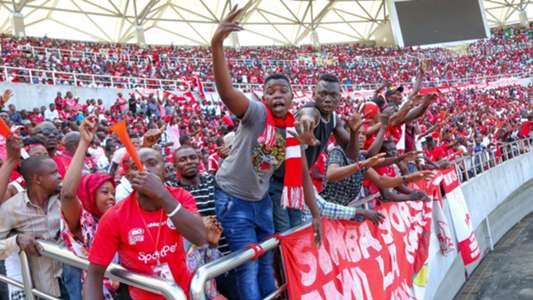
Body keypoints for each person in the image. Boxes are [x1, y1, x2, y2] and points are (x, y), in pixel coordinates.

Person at [211, 6, 321, 300]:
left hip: (259, 201)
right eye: (270, 91)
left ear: (292, 95)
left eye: (282, 91)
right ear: (263, 97)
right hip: (233, 199)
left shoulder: (293, 132)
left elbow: (303, 178)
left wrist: (316, 214)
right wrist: (217, 45)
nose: (276, 96)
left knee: (264, 264)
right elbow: (226, 92)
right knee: (248, 264)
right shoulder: (256, 114)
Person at [86, 147, 207, 300]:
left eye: (152, 163)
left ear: (165, 170)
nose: (144, 170)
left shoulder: (181, 197)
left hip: (182, 294)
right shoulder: (114, 217)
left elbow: (200, 238)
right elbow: (95, 273)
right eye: (136, 167)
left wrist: (162, 196)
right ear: (129, 176)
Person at [59, 118, 117, 299]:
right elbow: (68, 194)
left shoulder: (114, 219)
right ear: (89, 194)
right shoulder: (83, 221)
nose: (111, 198)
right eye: (105, 192)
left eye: (113, 193)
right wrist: (84, 143)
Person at [169, 145, 232, 299]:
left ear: (199, 160)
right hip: (198, 266)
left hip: (228, 255)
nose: (189, 162)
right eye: (183, 160)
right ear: (175, 165)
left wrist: (229, 157)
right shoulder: (172, 189)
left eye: (192, 157)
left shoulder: (214, 180)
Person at [0, 155, 64, 298]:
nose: (60, 176)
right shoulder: (12, 208)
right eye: (53, 173)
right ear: (37, 179)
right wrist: (16, 241)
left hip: (72, 285)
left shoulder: (64, 199)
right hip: (40, 291)